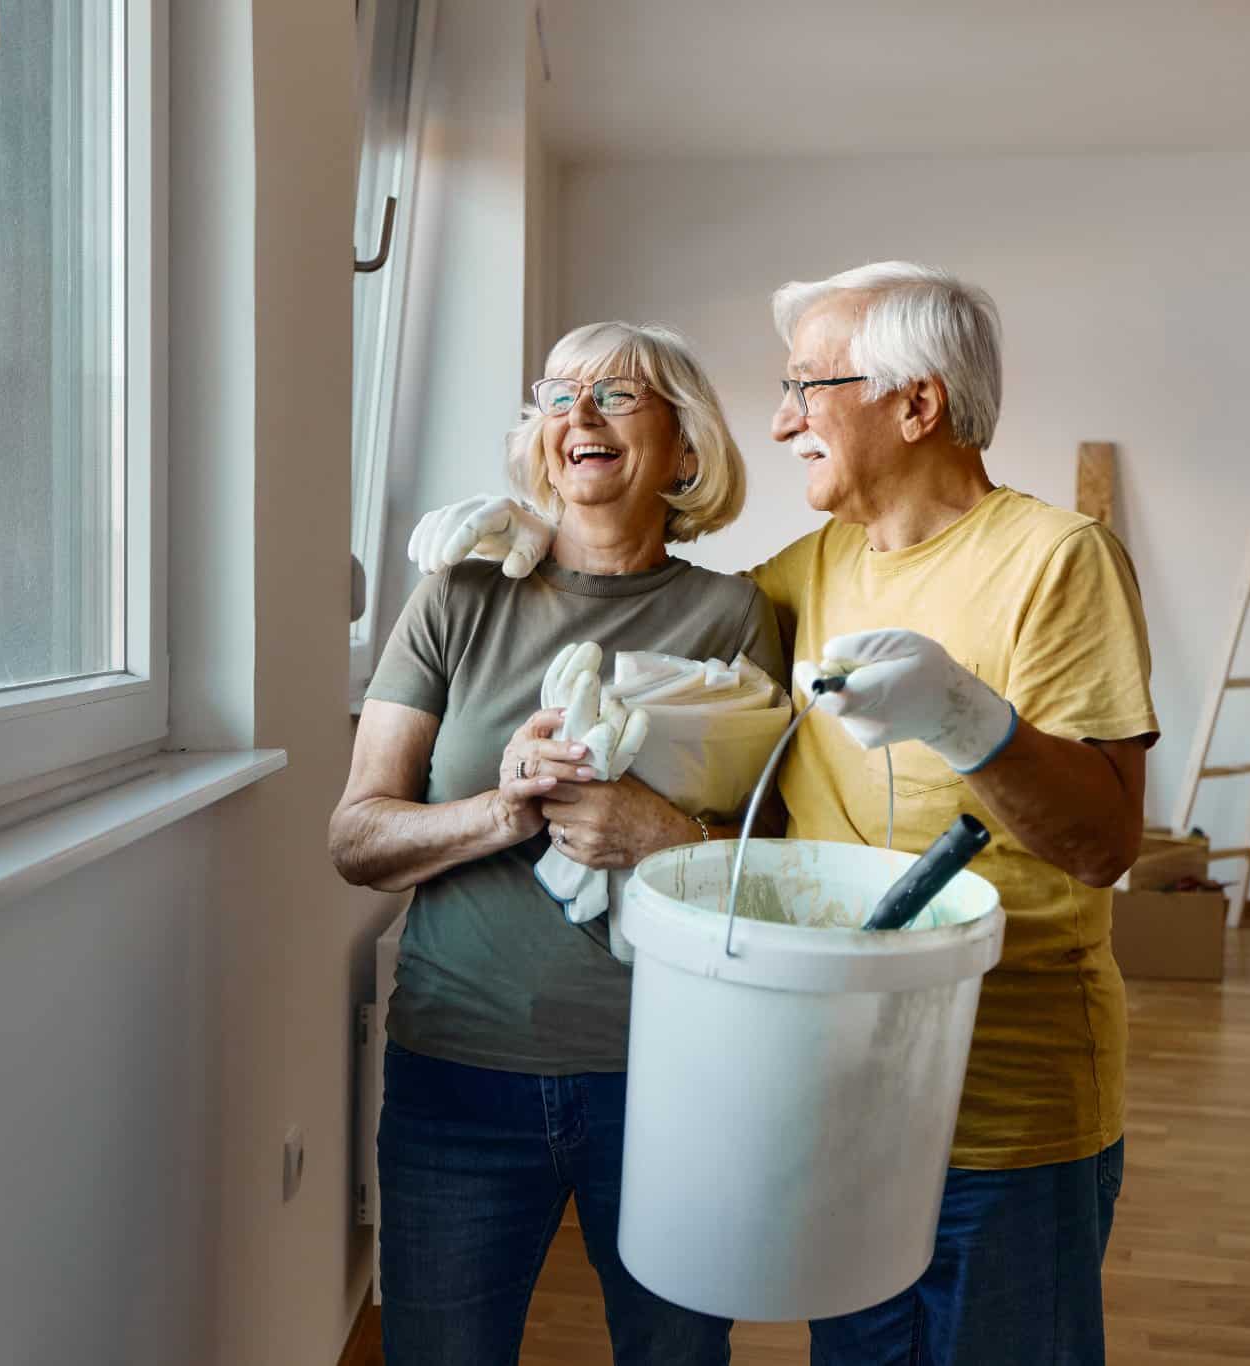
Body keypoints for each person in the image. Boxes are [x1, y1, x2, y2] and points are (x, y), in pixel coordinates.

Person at [408, 262, 1158, 1366]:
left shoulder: (1054, 559)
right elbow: (647, 591)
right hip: (844, 1096)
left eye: (809, 386)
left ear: (916, 403)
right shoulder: (808, 570)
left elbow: (1103, 844)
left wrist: (963, 716)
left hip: (1002, 1109)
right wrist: (525, 534)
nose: (781, 418)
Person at [330, 321, 784, 1366]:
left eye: (617, 395)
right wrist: (503, 809)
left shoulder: (730, 614)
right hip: (457, 1077)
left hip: (670, 1080)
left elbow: (775, 860)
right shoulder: (457, 597)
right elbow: (358, 836)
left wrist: (658, 833)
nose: (578, 414)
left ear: (684, 446)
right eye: (557, 394)